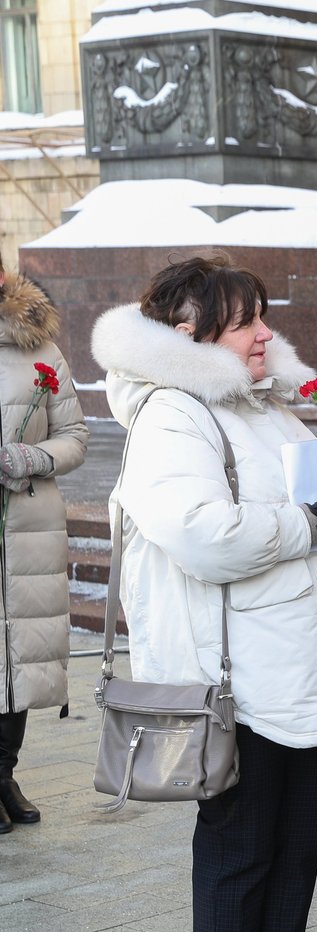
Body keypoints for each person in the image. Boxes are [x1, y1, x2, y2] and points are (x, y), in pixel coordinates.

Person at [96, 255, 317, 932]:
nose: (265, 333)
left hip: (298, 665)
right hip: (237, 680)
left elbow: (307, 505)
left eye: (263, 316)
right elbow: (199, 533)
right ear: (189, 334)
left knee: (299, 841)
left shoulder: (264, 405)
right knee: (241, 850)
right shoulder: (174, 415)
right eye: (245, 321)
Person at [0, 253, 87, 835]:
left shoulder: (36, 345)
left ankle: (3, 771)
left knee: (20, 658)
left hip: (25, 528)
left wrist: (30, 457)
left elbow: (75, 436)